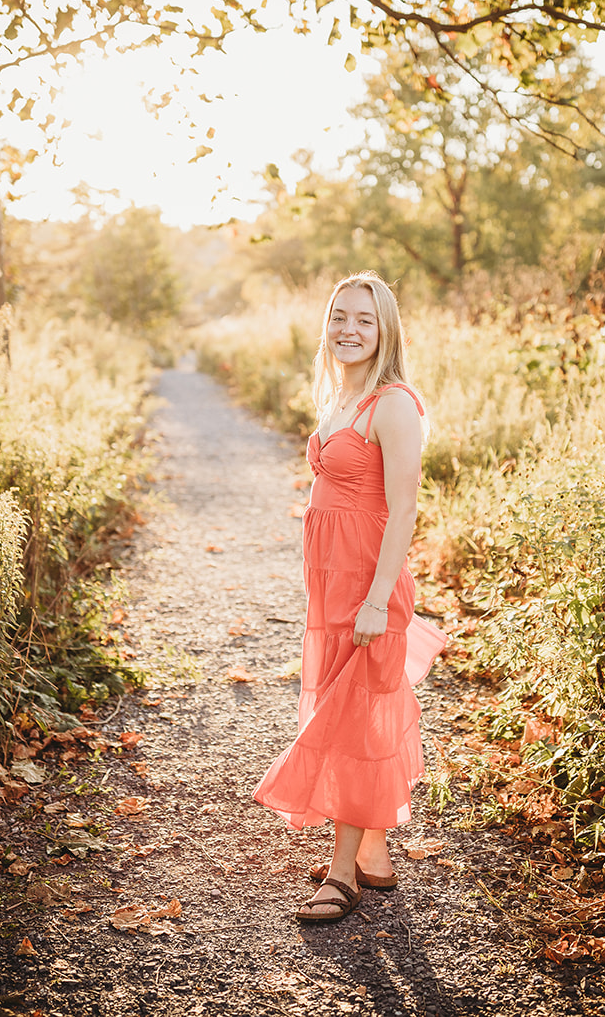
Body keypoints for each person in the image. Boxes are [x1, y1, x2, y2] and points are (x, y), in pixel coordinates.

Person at [253, 271, 447, 923]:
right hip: (332, 583)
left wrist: (375, 597)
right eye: (339, 316)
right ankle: (373, 853)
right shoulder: (339, 397)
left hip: (368, 582)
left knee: (347, 714)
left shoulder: (392, 402)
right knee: (356, 709)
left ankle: (343, 876)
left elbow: (404, 508)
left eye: (364, 318)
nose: (349, 329)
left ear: (385, 328)